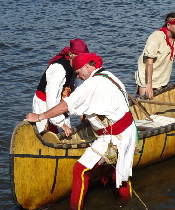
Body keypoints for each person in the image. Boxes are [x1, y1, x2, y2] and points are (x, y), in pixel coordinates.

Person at [25, 53, 137, 210]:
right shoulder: (109, 75)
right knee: (119, 169)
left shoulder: (91, 84)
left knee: (80, 170)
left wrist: (39, 116)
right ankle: (126, 202)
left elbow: (65, 105)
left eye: (78, 72)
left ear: (86, 66)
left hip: (114, 136)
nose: (78, 77)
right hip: (129, 131)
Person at [135, 12, 175, 99]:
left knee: (158, 108)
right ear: (168, 25)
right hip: (146, 79)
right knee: (145, 104)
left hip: (162, 79)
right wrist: (149, 85)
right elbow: (149, 61)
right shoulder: (156, 37)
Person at [32, 38, 89, 133]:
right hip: (44, 105)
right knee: (46, 136)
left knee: (66, 135)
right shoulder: (58, 69)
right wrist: (60, 123)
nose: (81, 62)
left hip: (61, 104)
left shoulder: (76, 66)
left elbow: (78, 89)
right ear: (70, 54)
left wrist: (82, 112)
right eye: (79, 58)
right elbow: (51, 97)